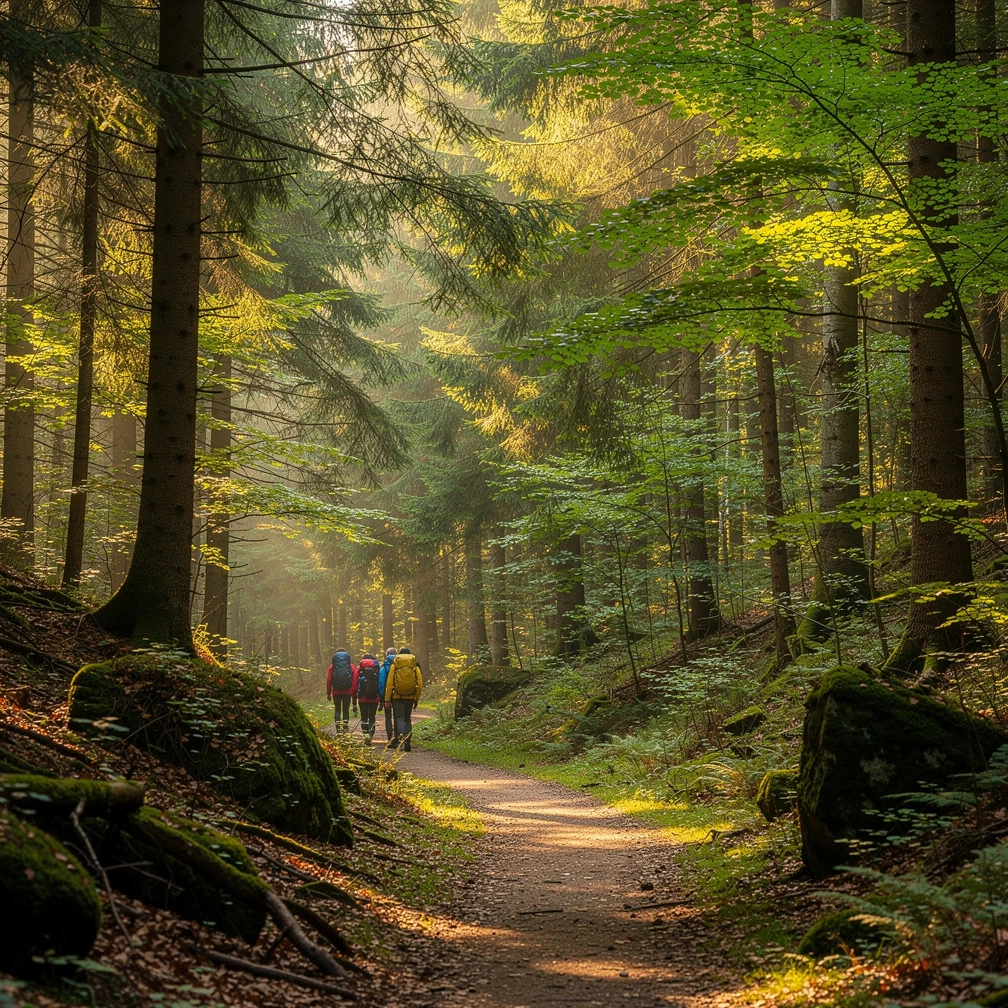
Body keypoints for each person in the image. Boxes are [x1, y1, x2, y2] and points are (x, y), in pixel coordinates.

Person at [384, 646, 422, 752]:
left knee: (399, 718)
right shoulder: (414, 666)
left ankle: (400, 739)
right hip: (410, 697)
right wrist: (416, 698)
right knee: (407, 718)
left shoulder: (395, 665)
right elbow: (419, 684)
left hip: (397, 696)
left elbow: (390, 683)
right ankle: (407, 740)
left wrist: (387, 699)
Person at [327, 647, 357, 733]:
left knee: (337, 709)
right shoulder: (351, 666)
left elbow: (329, 679)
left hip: (336, 691)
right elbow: (355, 679)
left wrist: (328, 693)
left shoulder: (332, 666)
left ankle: (337, 727)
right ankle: (345, 727)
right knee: (345, 709)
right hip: (348, 691)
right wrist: (354, 694)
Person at [355, 652, 381, 742]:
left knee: (364, 717)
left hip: (362, 698)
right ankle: (371, 734)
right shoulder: (377, 669)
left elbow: (355, 683)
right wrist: (381, 697)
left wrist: (354, 698)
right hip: (374, 697)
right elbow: (380, 683)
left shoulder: (360, 668)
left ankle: (366, 735)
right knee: (372, 717)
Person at [377, 647, 397, 744]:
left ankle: (390, 738)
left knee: (388, 716)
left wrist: (382, 699)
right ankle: (397, 737)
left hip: (387, 696)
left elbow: (381, 683)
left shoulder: (384, 668)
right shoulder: (399, 665)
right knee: (397, 716)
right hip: (398, 695)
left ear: (386, 655)